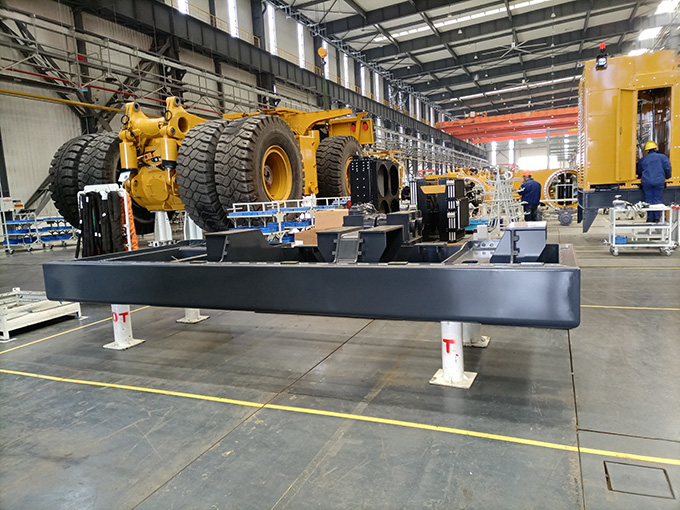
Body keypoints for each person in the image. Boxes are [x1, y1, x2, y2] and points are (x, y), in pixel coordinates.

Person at [636, 141, 672, 223]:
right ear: (655, 149)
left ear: (646, 151)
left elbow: (639, 171)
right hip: (659, 181)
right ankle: (657, 219)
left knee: (648, 200)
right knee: (657, 200)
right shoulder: (663, 157)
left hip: (647, 182)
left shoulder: (643, 160)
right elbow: (667, 169)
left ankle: (650, 219)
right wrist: (667, 177)